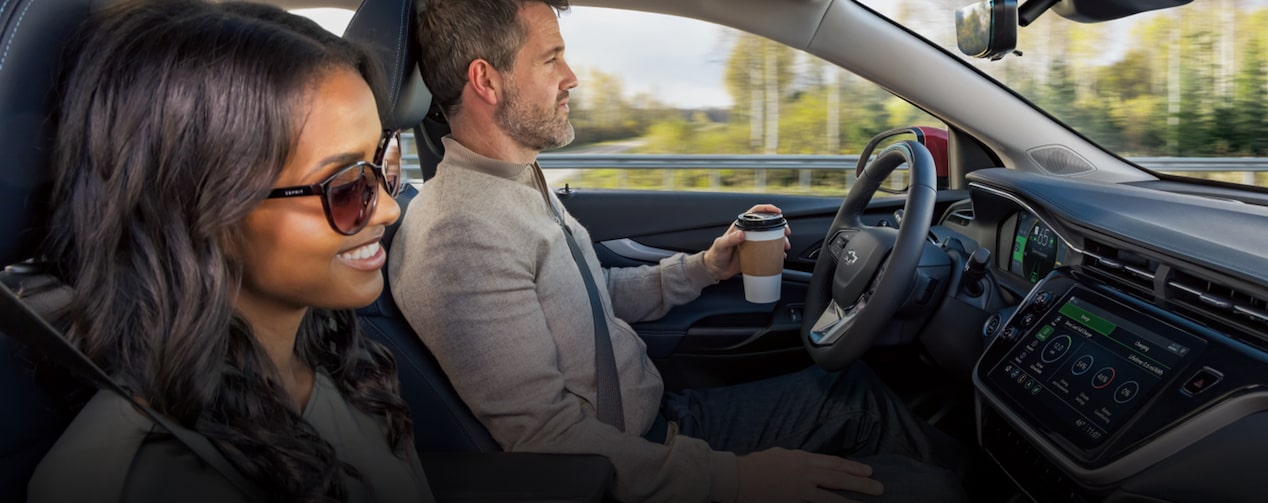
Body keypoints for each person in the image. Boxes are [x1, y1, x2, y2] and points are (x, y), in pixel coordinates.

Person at [392, 0, 966, 501]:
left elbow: (593, 298)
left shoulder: (516, 181)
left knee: (853, 393)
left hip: (661, 423)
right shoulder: (459, 233)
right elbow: (550, 443)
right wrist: (736, 481)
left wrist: (705, 267)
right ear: (486, 81)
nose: (572, 77)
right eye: (551, 59)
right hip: (637, 463)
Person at [28, 1, 430, 502]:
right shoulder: (148, 476)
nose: (389, 209)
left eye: (383, 163)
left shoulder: (336, 356)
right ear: (209, 211)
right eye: (346, 186)